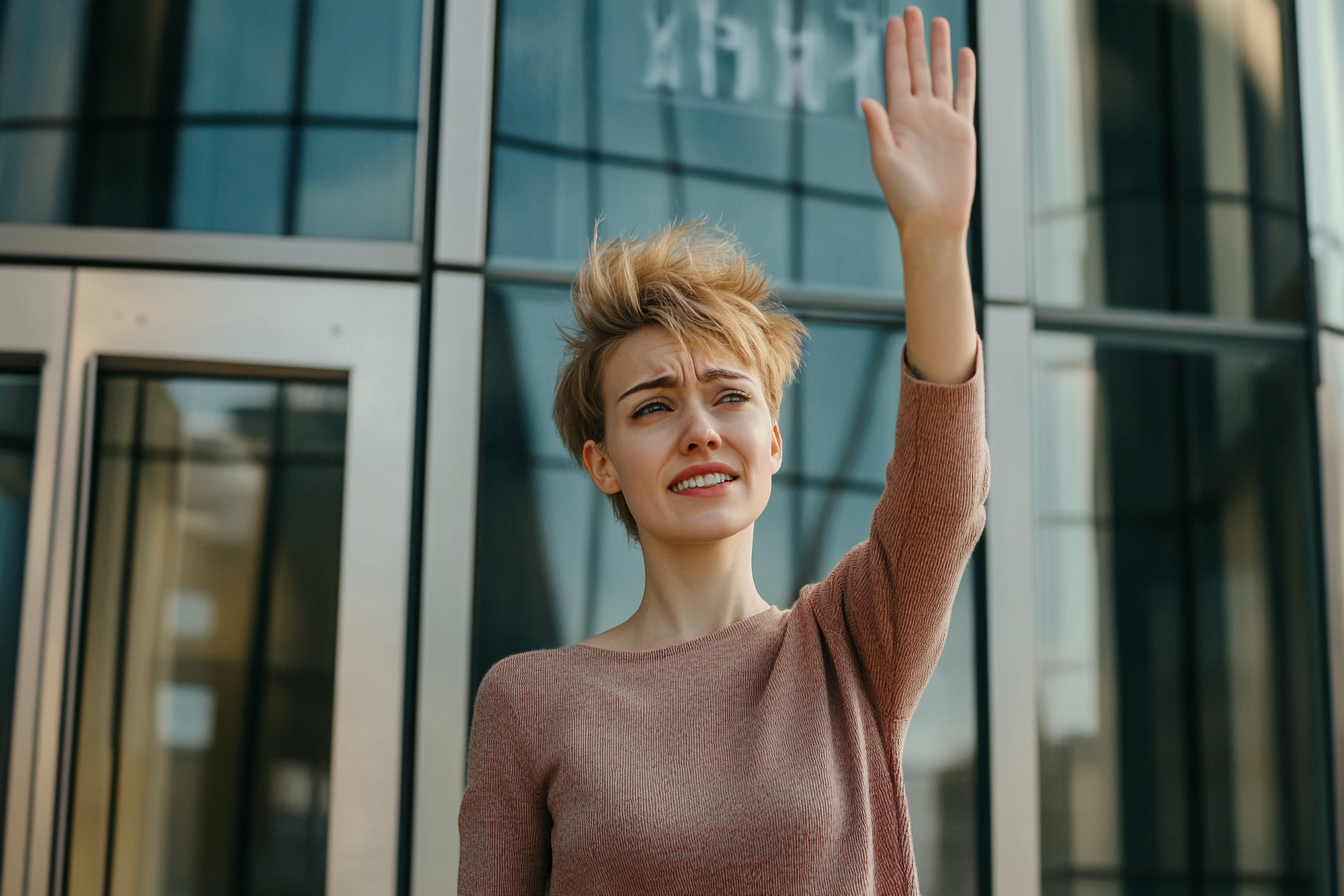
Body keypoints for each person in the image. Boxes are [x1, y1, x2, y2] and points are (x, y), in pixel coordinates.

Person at [458, 7, 986, 893]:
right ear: (601, 462)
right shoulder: (527, 700)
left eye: (730, 396)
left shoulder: (850, 643)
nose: (700, 427)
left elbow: (943, 494)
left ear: (772, 439)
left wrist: (933, 240)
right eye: (653, 406)